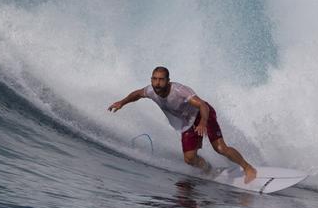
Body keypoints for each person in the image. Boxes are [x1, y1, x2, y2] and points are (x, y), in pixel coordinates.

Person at [108, 66, 257, 184]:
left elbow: (202, 105)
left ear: (168, 80)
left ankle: (248, 168)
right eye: (154, 79)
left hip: (203, 114)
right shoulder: (151, 91)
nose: (157, 83)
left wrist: (203, 122)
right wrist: (122, 102)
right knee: (189, 159)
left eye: (161, 79)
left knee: (220, 148)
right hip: (187, 123)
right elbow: (137, 94)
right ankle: (209, 170)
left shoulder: (180, 91)